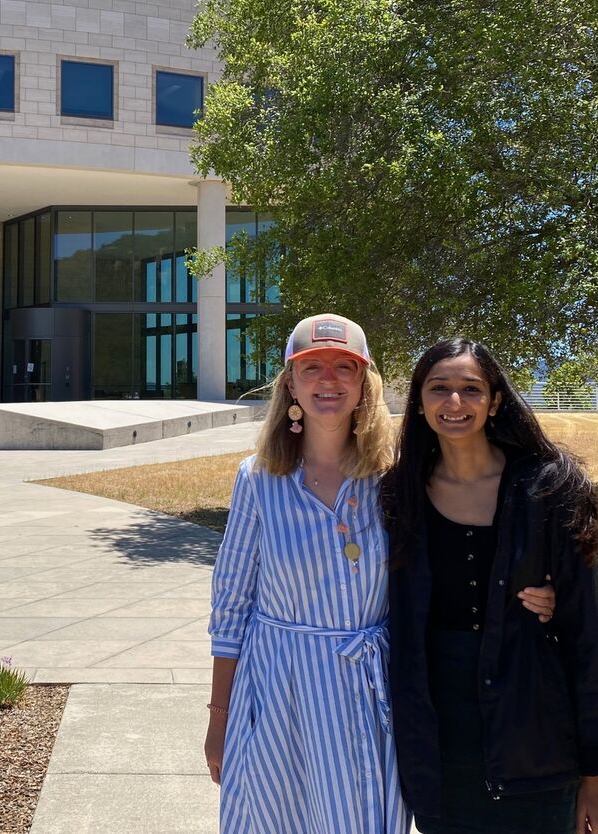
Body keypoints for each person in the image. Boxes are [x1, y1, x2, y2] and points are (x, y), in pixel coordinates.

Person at [204, 315, 555, 834]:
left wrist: (541, 590)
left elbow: (463, 554)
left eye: (345, 367)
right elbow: (231, 606)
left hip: (370, 692)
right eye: (312, 367)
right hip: (279, 687)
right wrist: (219, 718)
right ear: (290, 384)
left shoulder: (399, 473)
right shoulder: (258, 477)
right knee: (275, 818)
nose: (329, 380)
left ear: (364, 383)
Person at [381, 338, 598, 834]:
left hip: (534, 731)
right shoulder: (398, 494)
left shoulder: (549, 487)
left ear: (496, 401)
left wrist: (597, 770)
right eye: (439, 389)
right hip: (437, 738)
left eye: (471, 389)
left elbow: (586, 636)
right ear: (418, 401)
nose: (454, 403)